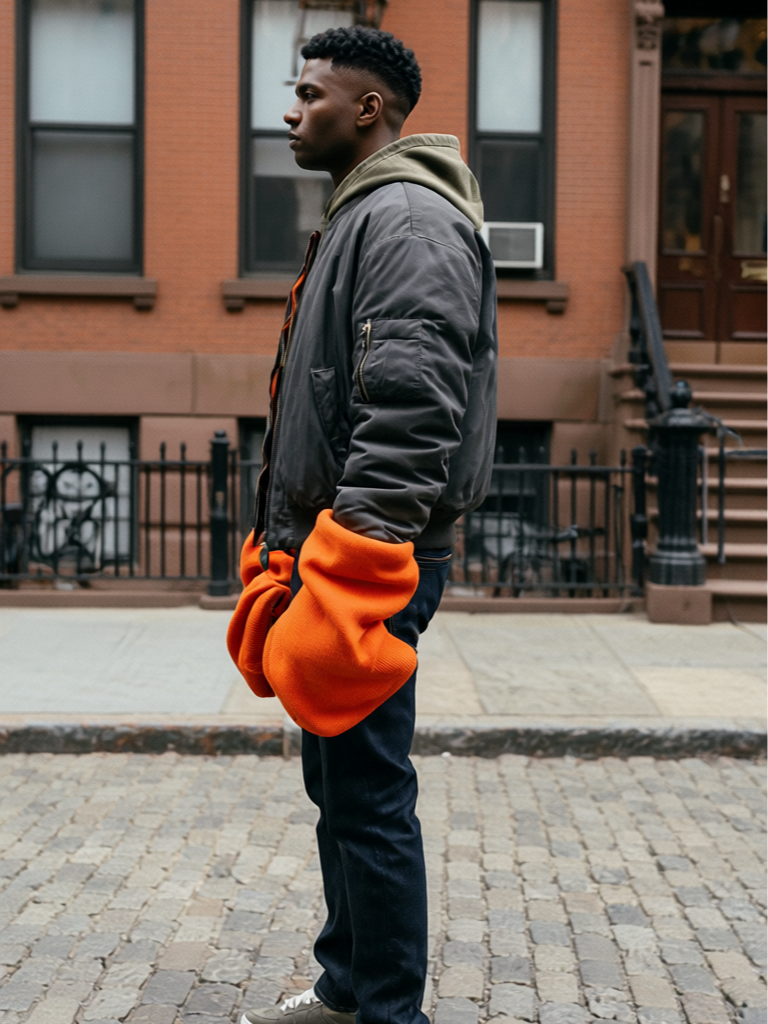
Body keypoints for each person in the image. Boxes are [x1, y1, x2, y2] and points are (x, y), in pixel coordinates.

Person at [227, 25, 497, 1024]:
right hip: (334, 549)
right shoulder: (367, 213)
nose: (291, 111)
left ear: (368, 108)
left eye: (310, 94)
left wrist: (353, 567)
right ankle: (349, 987)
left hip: (370, 558)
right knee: (340, 788)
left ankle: (388, 1012)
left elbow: (412, 408)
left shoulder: (408, 222)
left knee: (370, 795)